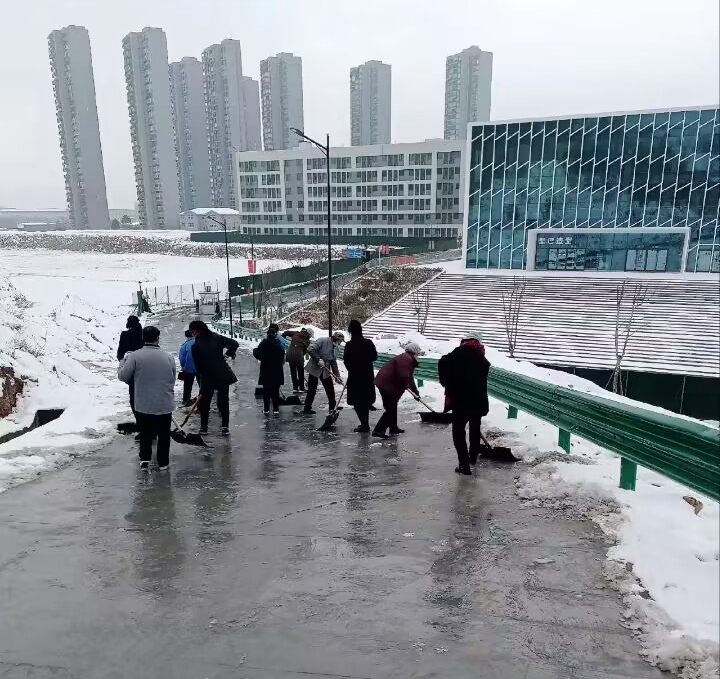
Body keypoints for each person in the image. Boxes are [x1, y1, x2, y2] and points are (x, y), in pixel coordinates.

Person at [118, 325, 176, 471]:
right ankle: (163, 462)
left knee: (145, 433)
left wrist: (123, 361)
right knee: (164, 435)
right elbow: (172, 378)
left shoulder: (134, 356)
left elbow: (123, 376)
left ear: (143, 338)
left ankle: (145, 459)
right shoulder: (168, 357)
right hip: (164, 403)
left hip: (143, 404)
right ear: (158, 338)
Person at [438, 331, 490, 476]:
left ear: (465, 341)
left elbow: (442, 362)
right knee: (475, 428)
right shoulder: (482, 357)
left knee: (458, 432)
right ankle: (472, 457)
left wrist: (445, 382)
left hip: (460, 401)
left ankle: (464, 464)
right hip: (478, 401)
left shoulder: (458, 352)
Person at [189, 320, 239, 436]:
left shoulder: (196, 346)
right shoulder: (216, 338)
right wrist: (228, 354)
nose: (192, 334)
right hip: (221, 374)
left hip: (207, 376)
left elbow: (198, 366)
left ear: (198, 331)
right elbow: (234, 344)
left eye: (193, 331)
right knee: (223, 401)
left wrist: (202, 375)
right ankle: (224, 426)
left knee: (205, 402)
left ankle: (204, 427)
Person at [372, 342, 422, 439]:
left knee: (392, 406)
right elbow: (403, 376)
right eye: (418, 353)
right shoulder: (406, 359)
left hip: (388, 383)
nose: (418, 356)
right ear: (414, 352)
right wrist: (405, 384)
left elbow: (410, 378)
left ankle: (393, 428)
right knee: (390, 408)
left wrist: (416, 393)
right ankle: (378, 430)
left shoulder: (408, 359)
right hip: (386, 383)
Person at [343, 320, 377, 433]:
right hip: (367, 376)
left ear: (350, 331)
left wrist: (352, 369)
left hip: (355, 377)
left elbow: (346, 361)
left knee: (357, 401)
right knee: (365, 399)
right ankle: (365, 423)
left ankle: (364, 424)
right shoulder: (368, 343)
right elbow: (374, 357)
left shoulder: (349, 345)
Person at [303, 332, 344, 415]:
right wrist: (318, 359)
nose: (339, 343)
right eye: (339, 341)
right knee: (312, 389)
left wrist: (337, 376)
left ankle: (332, 408)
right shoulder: (322, 341)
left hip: (325, 370)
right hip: (314, 368)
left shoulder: (336, 348)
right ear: (334, 339)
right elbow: (310, 349)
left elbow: (333, 363)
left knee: (330, 389)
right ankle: (307, 408)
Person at [253, 326, 286, 415]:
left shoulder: (263, 345)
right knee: (275, 391)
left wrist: (256, 351)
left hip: (266, 370)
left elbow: (257, 354)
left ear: (267, 335)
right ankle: (276, 409)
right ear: (275, 335)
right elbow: (283, 357)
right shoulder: (279, 346)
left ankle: (266, 409)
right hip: (277, 371)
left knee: (266, 391)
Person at [116, 315, 144, 420]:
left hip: (131, 368)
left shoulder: (125, 335)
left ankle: (139, 421)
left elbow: (120, 353)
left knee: (133, 396)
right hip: (144, 367)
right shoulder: (143, 334)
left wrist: (123, 362)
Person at [282, 327, 313, 392]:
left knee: (293, 372)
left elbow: (285, 332)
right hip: (298, 356)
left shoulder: (296, 333)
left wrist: (283, 339)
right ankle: (301, 388)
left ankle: (295, 388)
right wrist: (300, 354)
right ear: (309, 335)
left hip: (289, 355)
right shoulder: (307, 341)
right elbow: (305, 351)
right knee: (300, 372)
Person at [178, 330, 198, 407]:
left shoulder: (184, 345)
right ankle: (203, 399)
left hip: (189, 368)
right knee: (202, 384)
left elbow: (182, 358)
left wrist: (184, 367)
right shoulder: (200, 342)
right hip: (201, 367)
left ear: (186, 336)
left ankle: (186, 399)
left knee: (187, 385)